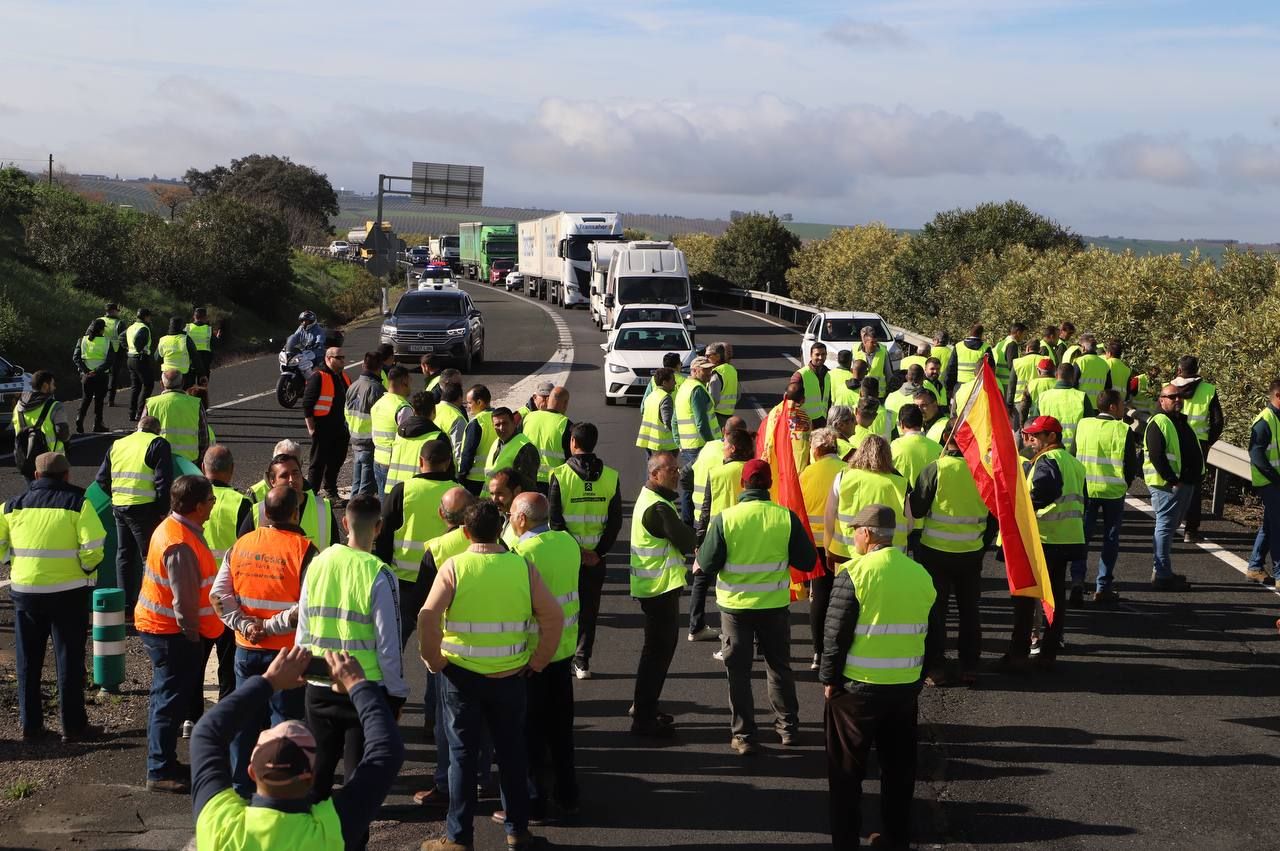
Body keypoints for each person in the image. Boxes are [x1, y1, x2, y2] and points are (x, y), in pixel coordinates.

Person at [418, 500, 564, 851]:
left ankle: (458, 838)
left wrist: (434, 661)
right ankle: (518, 832)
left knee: (462, 758)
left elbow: (427, 617)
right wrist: (539, 660)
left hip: (460, 677)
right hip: (511, 677)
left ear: (465, 532)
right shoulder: (522, 567)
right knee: (512, 755)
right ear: (501, 529)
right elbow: (553, 617)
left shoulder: (455, 567)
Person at [190, 647, 404, 850]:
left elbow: (206, 733)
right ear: (311, 777)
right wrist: (357, 684)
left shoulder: (219, 824)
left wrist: (269, 681)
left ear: (252, 772)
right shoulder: (328, 832)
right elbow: (386, 750)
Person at [820, 503, 936, 851]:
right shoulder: (919, 574)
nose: (853, 535)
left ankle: (845, 841)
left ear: (867, 534)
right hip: (903, 690)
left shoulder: (854, 573)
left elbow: (835, 634)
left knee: (846, 775)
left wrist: (829, 679)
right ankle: (896, 838)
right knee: (899, 772)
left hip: (856, 690)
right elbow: (933, 633)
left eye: (856, 529)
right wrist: (918, 677)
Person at [698, 459, 815, 755]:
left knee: (738, 671)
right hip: (774, 606)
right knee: (779, 668)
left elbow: (709, 564)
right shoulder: (784, 518)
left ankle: (744, 735)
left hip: (735, 608)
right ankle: (787, 728)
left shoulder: (726, 519)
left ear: (742, 484)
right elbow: (807, 561)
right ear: (769, 485)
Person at [297, 494, 408, 806]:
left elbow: (303, 626)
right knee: (357, 785)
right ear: (379, 528)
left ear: (344, 523)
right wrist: (396, 693)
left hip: (319, 685)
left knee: (316, 779)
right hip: (364, 688)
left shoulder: (318, 564)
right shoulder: (379, 573)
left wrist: (304, 669)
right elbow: (389, 644)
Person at [209, 485, 318, 798]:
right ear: (296, 513)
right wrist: (271, 627)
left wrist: (245, 625)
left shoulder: (242, 545)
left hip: (246, 650)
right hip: (286, 656)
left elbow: (219, 595)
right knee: (284, 726)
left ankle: (241, 789)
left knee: (245, 722)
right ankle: (279, 792)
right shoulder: (304, 550)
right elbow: (308, 606)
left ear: (265, 513)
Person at [1, 452, 106, 743]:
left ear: (36, 476)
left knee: (27, 661)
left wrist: (14, 563)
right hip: (67, 592)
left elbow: (0, 544)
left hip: (25, 592)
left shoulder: (11, 506)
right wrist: (85, 568)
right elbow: (94, 546)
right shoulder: (78, 503)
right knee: (69, 660)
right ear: (66, 475)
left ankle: (31, 726)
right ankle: (73, 726)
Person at [136, 474, 225, 793]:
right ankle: (159, 769)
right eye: (212, 500)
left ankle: (163, 763)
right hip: (172, 634)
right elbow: (185, 603)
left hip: (165, 629)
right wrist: (194, 640)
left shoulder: (175, 531)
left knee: (166, 699)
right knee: (167, 701)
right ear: (199, 506)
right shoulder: (180, 544)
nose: (214, 505)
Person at [408, 486, 484, 810]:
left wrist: (430, 655)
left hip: (447, 651)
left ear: (442, 515)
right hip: (491, 649)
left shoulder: (436, 550)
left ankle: (445, 782)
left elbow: (423, 608)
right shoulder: (494, 544)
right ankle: (480, 779)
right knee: (484, 722)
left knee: (447, 723)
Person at [510, 492, 582, 819]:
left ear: (522, 519)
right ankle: (568, 794)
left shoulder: (522, 553)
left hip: (532, 655)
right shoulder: (567, 542)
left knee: (530, 735)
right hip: (564, 649)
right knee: (561, 731)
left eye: (512, 513)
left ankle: (534, 802)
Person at [1000, 416, 1086, 673]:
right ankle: (1048, 653)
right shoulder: (1073, 463)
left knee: (1026, 598)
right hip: (1068, 537)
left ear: (1052, 437)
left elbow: (1044, 490)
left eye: (1037, 435)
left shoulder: (1047, 461)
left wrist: (1022, 508)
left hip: (1044, 538)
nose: (1031, 439)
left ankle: (1018, 654)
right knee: (1055, 596)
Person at [911, 428, 994, 686]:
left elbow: (916, 508)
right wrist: (981, 543)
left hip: (935, 551)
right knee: (969, 610)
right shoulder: (984, 473)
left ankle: (936, 667)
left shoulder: (936, 469)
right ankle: (969, 665)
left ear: (946, 443)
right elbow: (994, 515)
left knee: (937, 610)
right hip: (970, 552)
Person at [628, 451, 696, 737]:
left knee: (654, 652)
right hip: (659, 589)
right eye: (671, 470)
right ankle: (643, 716)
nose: (677, 474)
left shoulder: (653, 499)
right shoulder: (658, 508)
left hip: (653, 587)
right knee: (657, 654)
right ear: (655, 474)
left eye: (677, 470)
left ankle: (645, 707)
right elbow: (685, 540)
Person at [549, 422, 623, 681]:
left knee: (563, 608)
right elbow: (615, 522)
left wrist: (576, 552)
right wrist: (597, 552)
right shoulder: (611, 476)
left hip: (567, 558)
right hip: (596, 559)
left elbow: (555, 522)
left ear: (572, 443)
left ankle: (561, 657)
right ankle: (583, 661)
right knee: (589, 610)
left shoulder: (559, 474)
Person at [375, 438, 456, 643]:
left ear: (421, 461)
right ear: (448, 462)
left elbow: (384, 534)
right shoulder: (458, 493)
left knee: (392, 644)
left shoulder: (403, 490)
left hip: (403, 582)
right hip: (442, 582)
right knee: (438, 647)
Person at [196, 445, 253, 729]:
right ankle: (228, 718)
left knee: (196, 661)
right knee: (229, 662)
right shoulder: (241, 504)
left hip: (196, 594)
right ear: (231, 470)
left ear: (204, 468)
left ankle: (189, 718)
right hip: (230, 596)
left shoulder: (192, 499)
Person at [96, 416, 172, 617]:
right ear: (157, 430)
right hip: (145, 508)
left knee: (124, 555)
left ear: (137, 427)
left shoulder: (118, 444)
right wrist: (163, 510)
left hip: (120, 506)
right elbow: (163, 482)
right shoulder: (158, 444)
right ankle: (150, 603)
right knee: (149, 557)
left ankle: (125, 604)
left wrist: (116, 496)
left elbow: (101, 479)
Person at [1071, 389, 1140, 603]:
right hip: (1112, 492)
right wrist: (1125, 483)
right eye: (1121, 404)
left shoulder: (1083, 425)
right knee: (1110, 541)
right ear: (1112, 407)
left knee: (1082, 538)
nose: (1123, 408)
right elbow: (1130, 464)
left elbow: (1074, 454)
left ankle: (1077, 581)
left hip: (1086, 490)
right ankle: (1103, 587)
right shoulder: (1122, 429)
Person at [1143, 385, 1200, 591]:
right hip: (1167, 485)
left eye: (1180, 396)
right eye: (1172, 396)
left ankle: (1162, 570)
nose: (1178, 399)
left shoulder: (1178, 420)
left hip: (1181, 483)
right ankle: (1162, 575)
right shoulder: (1159, 421)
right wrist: (1172, 479)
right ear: (1161, 400)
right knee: (1165, 527)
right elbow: (1156, 455)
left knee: (1169, 528)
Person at [826, 436, 910, 564]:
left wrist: (827, 548)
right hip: (887, 557)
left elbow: (829, 516)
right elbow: (910, 524)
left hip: (845, 553)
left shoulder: (843, 477)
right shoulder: (900, 483)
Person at [801, 428, 845, 671]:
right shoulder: (846, 471)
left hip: (814, 546)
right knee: (843, 599)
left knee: (819, 597)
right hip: (841, 543)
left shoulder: (807, 473)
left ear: (816, 449)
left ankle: (818, 651)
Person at [240, 453, 338, 551]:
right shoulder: (258, 512)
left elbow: (336, 551)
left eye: (295, 473)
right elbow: (241, 551)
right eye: (284, 475)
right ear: (272, 481)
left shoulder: (323, 508)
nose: (292, 480)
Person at [1173, 355, 1223, 543]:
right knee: (1194, 486)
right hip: (1198, 443)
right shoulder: (1209, 390)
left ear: (1179, 370)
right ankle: (1191, 531)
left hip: (1175, 439)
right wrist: (1209, 441)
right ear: (1197, 370)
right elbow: (1217, 421)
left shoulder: (1169, 387)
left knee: (1172, 481)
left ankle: (1168, 525)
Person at [674, 356, 721, 523]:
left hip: (688, 445)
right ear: (694, 370)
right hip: (700, 446)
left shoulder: (685, 387)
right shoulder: (697, 390)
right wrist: (713, 444)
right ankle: (692, 523)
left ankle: (687, 523)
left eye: (710, 369)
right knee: (700, 486)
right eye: (705, 369)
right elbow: (702, 423)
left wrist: (679, 442)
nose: (709, 372)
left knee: (690, 485)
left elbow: (674, 419)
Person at [891, 404, 944, 554]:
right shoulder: (937, 448)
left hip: (902, 518)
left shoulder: (894, 447)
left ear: (901, 424)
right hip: (929, 518)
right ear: (921, 423)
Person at [304, 347, 352, 501]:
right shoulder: (318, 376)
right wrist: (311, 428)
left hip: (340, 427)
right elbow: (307, 404)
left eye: (343, 357)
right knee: (318, 462)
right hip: (322, 427)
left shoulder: (343, 376)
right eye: (339, 358)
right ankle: (311, 495)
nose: (342, 361)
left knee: (337, 460)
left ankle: (330, 490)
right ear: (329, 358)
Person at [1246, 379, 1280, 585]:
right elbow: (1256, 455)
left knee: (1270, 525)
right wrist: (1276, 479)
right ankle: (1278, 574)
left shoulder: (1277, 419)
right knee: (1278, 527)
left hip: (1275, 481)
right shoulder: (1264, 421)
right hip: (1269, 482)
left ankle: (1255, 566)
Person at [386, 390, 450, 494]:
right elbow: (447, 470)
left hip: (393, 490)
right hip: (419, 492)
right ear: (434, 410)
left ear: (414, 410)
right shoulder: (437, 437)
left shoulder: (400, 433)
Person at [13, 370, 70, 480]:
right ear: (45, 385)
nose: (54, 388)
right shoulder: (55, 406)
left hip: (26, 460)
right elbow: (63, 434)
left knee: (34, 494)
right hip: (50, 462)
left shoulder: (18, 407)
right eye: (53, 384)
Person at [145, 368, 209, 462]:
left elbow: (142, 433)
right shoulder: (195, 403)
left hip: (159, 458)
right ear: (183, 382)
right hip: (189, 460)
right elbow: (204, 437)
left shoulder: (151, 403)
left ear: (162, 384)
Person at [345, 352, 386, 497]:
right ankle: (359, 516)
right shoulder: (376, 389)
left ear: (363, 365)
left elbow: (346, 415)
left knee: (357, 485)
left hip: (355, 440)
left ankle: (352, 513)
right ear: (380, 367)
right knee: (366, 488)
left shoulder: (352, 386)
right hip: (370, 442)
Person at [1029, 363, 1094, 454]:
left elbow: (1034, 425)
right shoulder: (1082, 397)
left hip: (1049, 450)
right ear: (1073, 377)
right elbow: (1090, 426)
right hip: (1076, 451)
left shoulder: (1043, 397)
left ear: (1056, 375)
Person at [522, 386, 572, 492]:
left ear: (548, 399)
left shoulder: (528, 418)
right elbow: (571, 458)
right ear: (566, 403)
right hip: (554, 482)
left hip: (528, 479)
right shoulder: (566, 424)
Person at [72, 317, 112, 434]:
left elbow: (76, 358)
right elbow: (110, 361)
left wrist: (86, 371)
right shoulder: (107, 342)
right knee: (99, 401)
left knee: (86, 398)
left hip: (86, 376)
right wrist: (97, 371)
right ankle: (97, 424)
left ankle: (79, 418)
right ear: (101, 330)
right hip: (101, 376)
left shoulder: (82, 340)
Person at [486, 407, 539, 493]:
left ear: (514, 423)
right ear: (493, 426)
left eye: (505, 423)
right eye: (497, 425)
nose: (501, 428)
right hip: (491, 501)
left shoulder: (525, 448)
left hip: (507, 504)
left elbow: (527, 487)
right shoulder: (497, 442)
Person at [459, 384, 497, 496]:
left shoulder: (477, 422)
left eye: (470, 403)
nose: (467, 406)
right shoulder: (498, 419)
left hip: (474, 479)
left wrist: (461, 475)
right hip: (494, 476)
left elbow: (468, 452)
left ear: (479, 402)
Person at [636, 367, 678, 455]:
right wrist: (678, 437)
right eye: (672, 380)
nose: (675, 383)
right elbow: (668, 421)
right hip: (664, 445)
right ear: (664, 383)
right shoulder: (665, 397)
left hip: (650, 442)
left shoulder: (650, 396)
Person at [124, 308, 156, 422]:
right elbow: (138, 341)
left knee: (135, 387)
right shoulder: (144, 328)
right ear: (146, 317)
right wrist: (139, 349)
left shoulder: (131, 327)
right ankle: (141, 413)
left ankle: (131, 413)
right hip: (141, 359)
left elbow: (121, 337)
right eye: (149, 316)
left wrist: (128, 347)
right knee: (148, 385)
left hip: (130, 358)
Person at [945, 323, 993, 395]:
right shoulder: (986, 348)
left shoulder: (958, 346)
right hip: (977, 386)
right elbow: (991, 369)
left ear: (969, 332)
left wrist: (949, 387)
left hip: (960, 386)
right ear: (981, 334)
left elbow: (951, 368)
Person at [793, 342, 832, 426]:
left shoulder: (828, 374)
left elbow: (828, 400)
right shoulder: (800, 375)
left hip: (822, 421)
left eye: (823, 354)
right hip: (804, 423)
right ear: (811, 355)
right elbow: (791, 400)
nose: (820, 357)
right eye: (817, 354)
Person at [97, 302, 126, 408]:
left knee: (101, 374)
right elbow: (124, 339)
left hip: (100, 351)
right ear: (114, 311)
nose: (118, 313)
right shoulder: (120, 323)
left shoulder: (99, 320)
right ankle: (110, 400)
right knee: (113, 377)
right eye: (117, 311)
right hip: (116, 352)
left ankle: (99, 397)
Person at [157, 317, 198, 389]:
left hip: (167, 374)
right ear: (181, 327)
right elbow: (195, 357)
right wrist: (201, 373)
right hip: (183, 374)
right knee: (184, 396)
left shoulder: (163, 340)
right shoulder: (186, 339)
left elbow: (157, 357)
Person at [434, 379, 469, 463]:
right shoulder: (457, 418)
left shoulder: (432, 409)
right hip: (445, 466)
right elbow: (459, 450)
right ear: (460, 398)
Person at [852, 327, 891, 400]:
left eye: (876, 342)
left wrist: (889, 392)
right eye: (872, 342)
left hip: (878, 395)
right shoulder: (855, 351)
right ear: (865, 342)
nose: (875, 344)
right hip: (861, 393)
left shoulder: (883, 352)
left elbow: (889, 374)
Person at [707, 341, 739, 428]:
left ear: (717, 356)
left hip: (717, 415)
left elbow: (714, 399)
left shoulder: (716, 373)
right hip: (729, 413)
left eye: (708, 356)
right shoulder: (732, 369)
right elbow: (738, 394)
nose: (706, 358)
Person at [1072, 334, 1112, 399]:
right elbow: (1108, 388)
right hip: (1098, 405)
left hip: (1081, 404)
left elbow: (1072, 384)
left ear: (1083, 347)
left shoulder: (1079, 361)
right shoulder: (1105, 364)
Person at [991, 322, 1026, 397]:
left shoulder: (1000, 343)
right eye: (1023, 334)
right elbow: (1012, 366)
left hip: (997, 381)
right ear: (1018, 333)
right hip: (1007, 382)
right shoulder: (1012, 344)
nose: (1024, 337)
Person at [186, 306, 217, 382]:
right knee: (203, 386)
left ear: (194, 316)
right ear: (205, 317)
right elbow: (215, 344)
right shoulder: (208, 329)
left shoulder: (188, 328)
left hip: (190, 359)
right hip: (204, 359)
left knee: (190, 386)